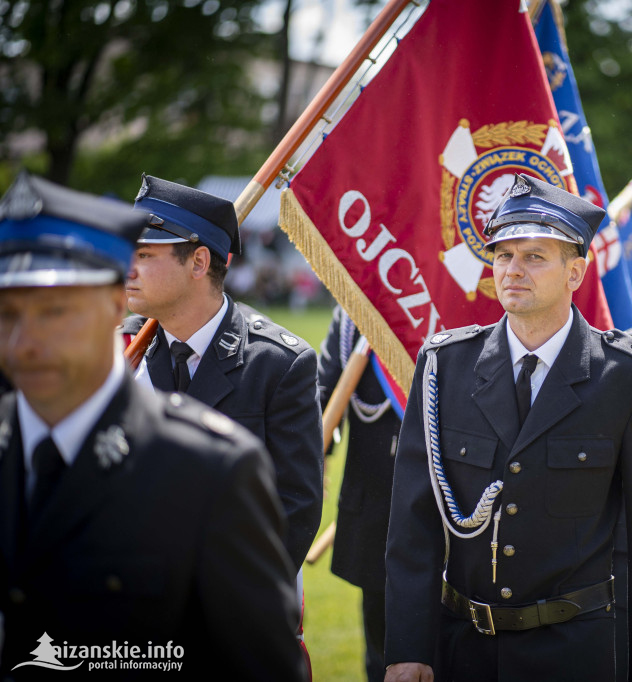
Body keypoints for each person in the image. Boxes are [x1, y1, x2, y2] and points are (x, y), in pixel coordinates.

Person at [0, 173, 305, 679]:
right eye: (7, 314)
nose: (26, 342)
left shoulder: (216, 462)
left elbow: (290, 513)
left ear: (110, 307)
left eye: (55, 312)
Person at [384, 174, 632, 682]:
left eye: (535, 256)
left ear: (575, 272)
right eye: (503, 255)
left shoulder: (626, 377)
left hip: (573, 652)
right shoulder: (445, 367)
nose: (513, 270)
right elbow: (414, 527)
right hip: (462, 649)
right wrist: (408, 649)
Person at [121, 174, 323, 574]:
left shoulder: (277, 364)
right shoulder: (119, 351)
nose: (126, 268)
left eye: (144, 254)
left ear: (199, 262)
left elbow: (293, 511)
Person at [317, 305, 401, 682]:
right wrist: (311, 461)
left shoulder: (450, 286)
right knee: (382, 654)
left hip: (452, 506)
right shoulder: (358, 305)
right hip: (377, 507)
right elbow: (324, 389)